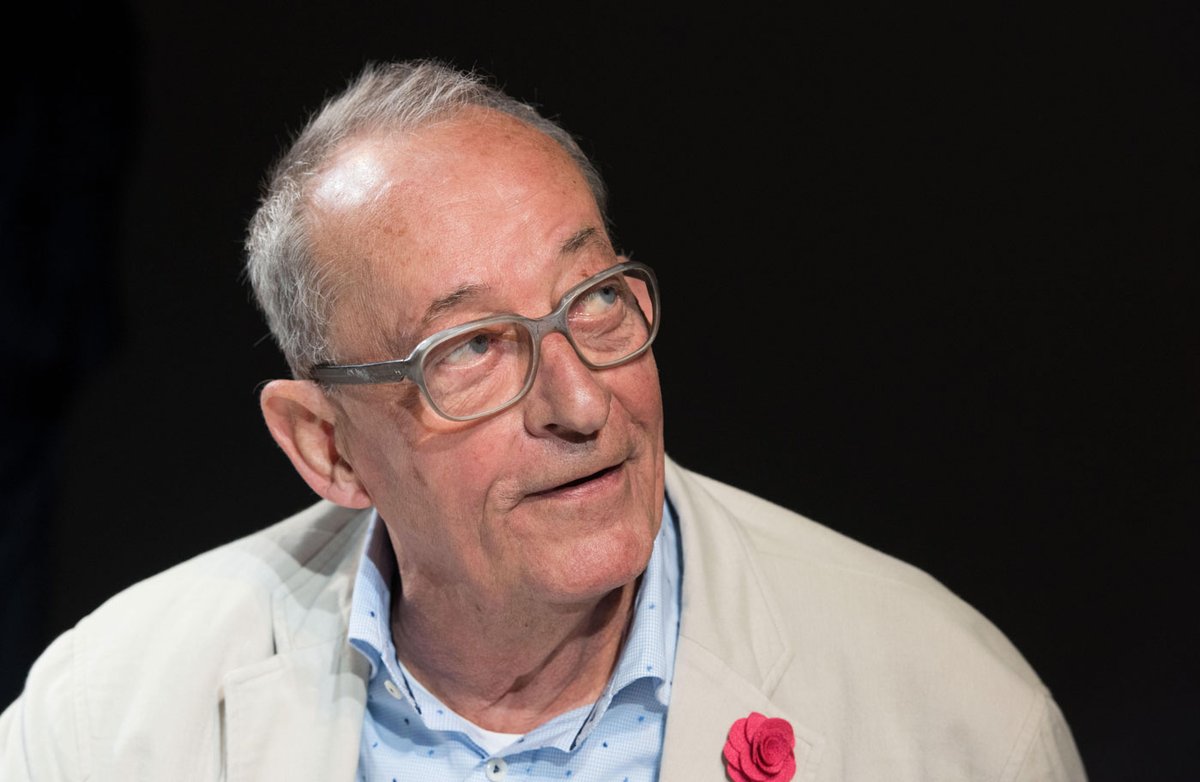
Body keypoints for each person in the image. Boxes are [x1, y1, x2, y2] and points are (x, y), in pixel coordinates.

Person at [0, 58, 1087, 781]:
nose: (581, 402)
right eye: (470, 346)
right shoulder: (102, 723)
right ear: (325, 444)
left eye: (596, 299)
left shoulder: (952, 716)